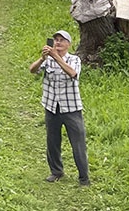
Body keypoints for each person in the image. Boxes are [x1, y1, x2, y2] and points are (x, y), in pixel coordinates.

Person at [29, 29, 90, 186]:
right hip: (51, 107)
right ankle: (56, 171)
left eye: (62, 40)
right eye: (56, 40)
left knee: (78, 144)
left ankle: (84, 177)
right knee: (52, 142)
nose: (58, 43)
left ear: (68, 44)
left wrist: (56, 57)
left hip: (71, 109)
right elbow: (32, 70)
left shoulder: (74, 59)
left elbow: (73, 74)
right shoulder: (47, 60)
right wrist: (42, 59)